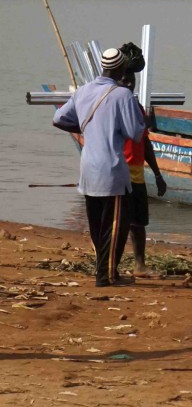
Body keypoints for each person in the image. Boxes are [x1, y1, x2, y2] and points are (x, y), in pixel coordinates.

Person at [52, 48, 146, 288]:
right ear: (120, 69)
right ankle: (107, 276)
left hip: (88, 167)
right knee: (115, 226)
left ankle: (104, 271)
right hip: (112, 169)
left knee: (96, 225)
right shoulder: (122, 95)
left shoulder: (83, 91)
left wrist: (87, 130)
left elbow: (59, 119)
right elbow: (135, 133)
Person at [119, 69, 167, 277]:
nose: (129, 85)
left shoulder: (136, 107)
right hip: (119, 172)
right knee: (120, 223)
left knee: (139, 222)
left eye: (132, 80)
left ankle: (140, 266)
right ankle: (110, 266)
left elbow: (145, 141)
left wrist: (157, 174)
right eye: (125, 80)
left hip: (137, 173)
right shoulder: (116, 105)